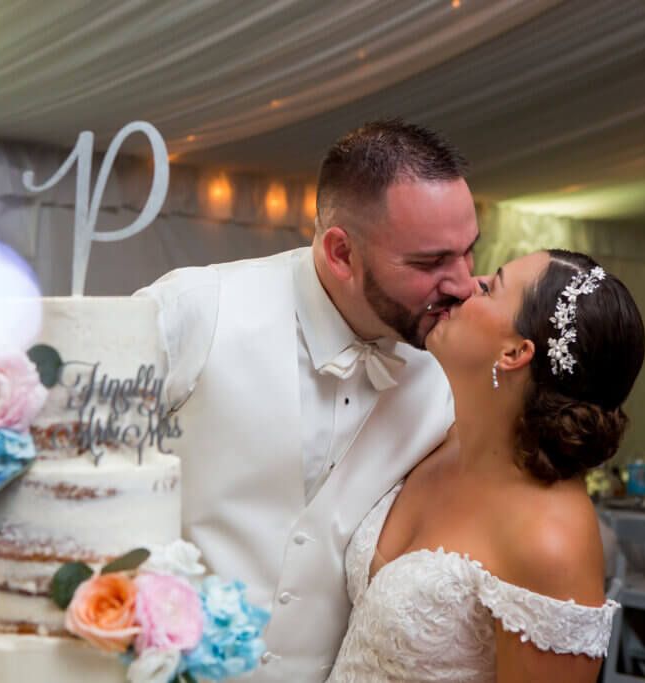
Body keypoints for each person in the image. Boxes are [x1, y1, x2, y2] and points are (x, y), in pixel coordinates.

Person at [135, 119, 479, 681]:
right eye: (429, 263)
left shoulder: (448, 371)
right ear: (341, 253)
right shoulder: (196, 308)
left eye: (468, 253)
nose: (463, 283)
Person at [328, 249, 645, 682]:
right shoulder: (435, 439)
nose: (466, 285)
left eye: (490, 286)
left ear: (515, 352)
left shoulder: (551, 541)